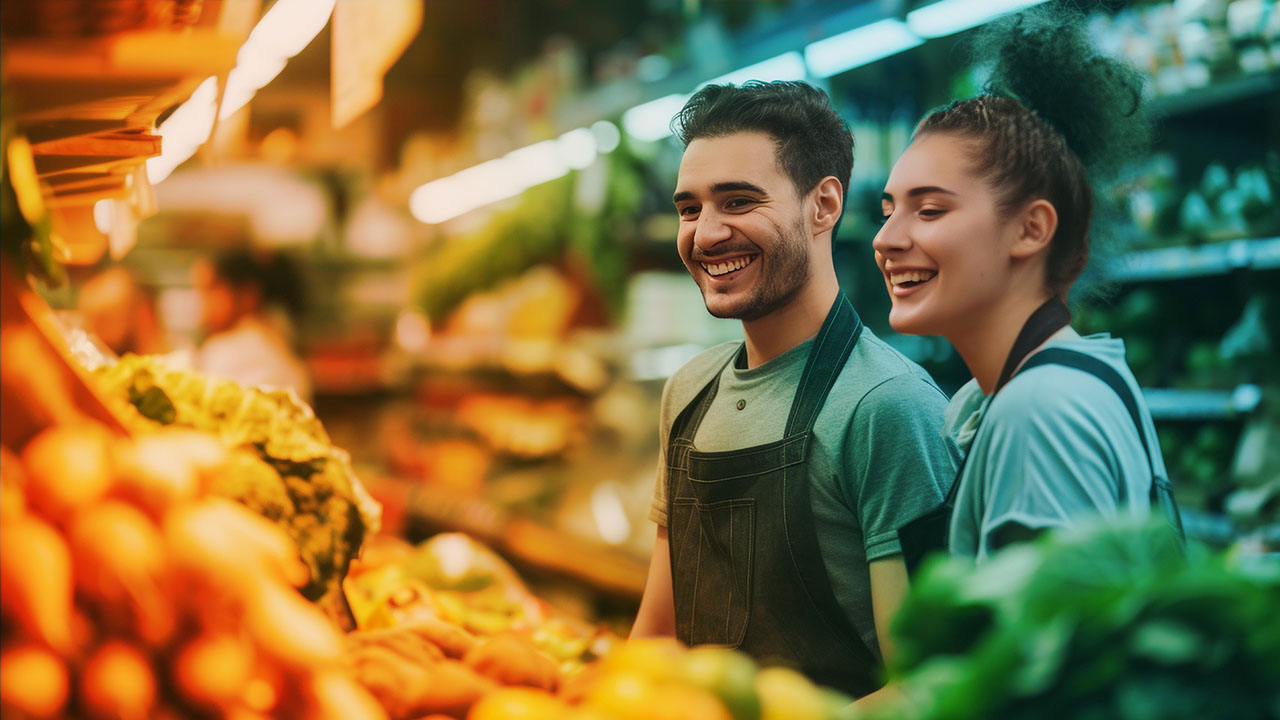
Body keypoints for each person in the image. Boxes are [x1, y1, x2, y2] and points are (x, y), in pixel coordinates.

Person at [629, 81, 959, 699]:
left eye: (738, 202)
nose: (704, 235)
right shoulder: (688, 395)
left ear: (824, 205)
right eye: (690, 208)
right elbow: (655, 639)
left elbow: (922, 690)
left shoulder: (886, 406)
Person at [874, 9, 1182, 564]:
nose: (886, 239)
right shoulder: (1078, 374)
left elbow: (1052, 647)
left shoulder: (1039, 412)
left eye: (930, 210)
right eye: (889, 209)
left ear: (1031, 228)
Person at [191, 248, 312, 402]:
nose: (202, 307)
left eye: (211, 291)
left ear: (248, 295)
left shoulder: (228, 350)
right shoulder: (280, 335)